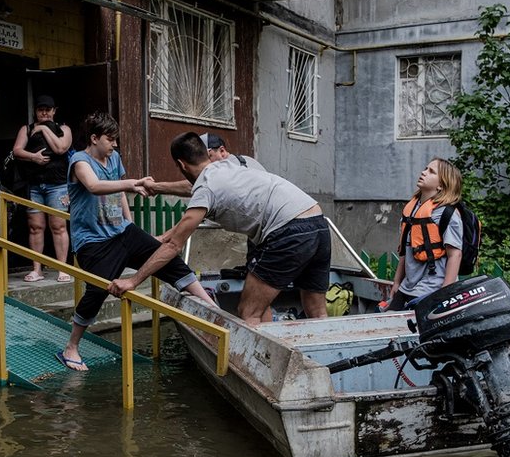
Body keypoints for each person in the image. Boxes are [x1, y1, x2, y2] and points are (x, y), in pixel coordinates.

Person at [108, 132, 330, 327]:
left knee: (248, 313)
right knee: (317, 311)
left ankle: (262, 369)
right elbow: (192, 186)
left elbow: (174, 245)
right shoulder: (228, 165)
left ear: (182, 164)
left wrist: (132, 281)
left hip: (288, 230)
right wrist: (157, 188)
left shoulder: (206, 188)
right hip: (317, 221)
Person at [58, 114, 215, 371]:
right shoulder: (79, 161)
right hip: (93, 241)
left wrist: (130, 224)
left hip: (122, 231)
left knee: (167, 258)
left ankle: (212, 309)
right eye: (110, 139)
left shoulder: (114, 158)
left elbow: (118, 193)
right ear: (94, 138)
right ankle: (71, 348)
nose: (115, 144)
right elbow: (95, 186)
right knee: (98, 291)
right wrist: (134, 183)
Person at [10, 95, 73, 283]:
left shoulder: (64, 128)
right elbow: (17, 151)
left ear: (54, 111)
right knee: (35, 227)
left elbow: (61, 149)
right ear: (35, 111)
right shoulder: (27, 129)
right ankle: (36, 269)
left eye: (48, 109)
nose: (44, 112)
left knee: (59, 226)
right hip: (35, 185)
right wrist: (33, 157)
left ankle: (62, 268)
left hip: (58, 185)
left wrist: (44, 128)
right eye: (40, 109)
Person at [387, 157, 463, 311]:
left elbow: (455, 255)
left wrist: (445, 295)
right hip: (407, 286)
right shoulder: (412, 209)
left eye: (431, 172)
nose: (423, 172)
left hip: (432, 288)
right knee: (388, 323)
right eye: (425, 168)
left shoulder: (447, 213)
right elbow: (405, 251)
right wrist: (396, 283)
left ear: (441, 185)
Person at [142, 132, 264, 197]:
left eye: (208, 157)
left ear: (222, 151)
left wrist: (155, 187)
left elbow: (195, 186)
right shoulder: (245, 160)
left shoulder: (232, 165)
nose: (205, 164)